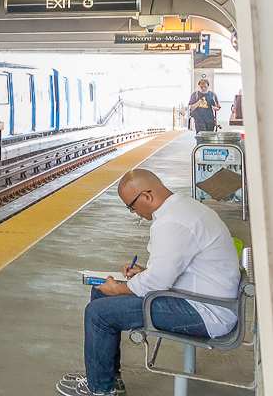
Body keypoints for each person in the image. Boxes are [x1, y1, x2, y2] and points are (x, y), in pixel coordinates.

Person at [58, 169, 240, 396]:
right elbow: (171, 270)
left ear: (147, 196)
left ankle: (100, 390)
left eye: (132, 206)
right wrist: (143, 273)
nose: (134, 213)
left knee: (98, 314)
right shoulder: (184, 209)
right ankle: (109, 379)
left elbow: (156, 282)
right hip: (203, 298)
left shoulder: (172, 221)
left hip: (206, 311)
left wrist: (120, 288)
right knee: (101, 295)